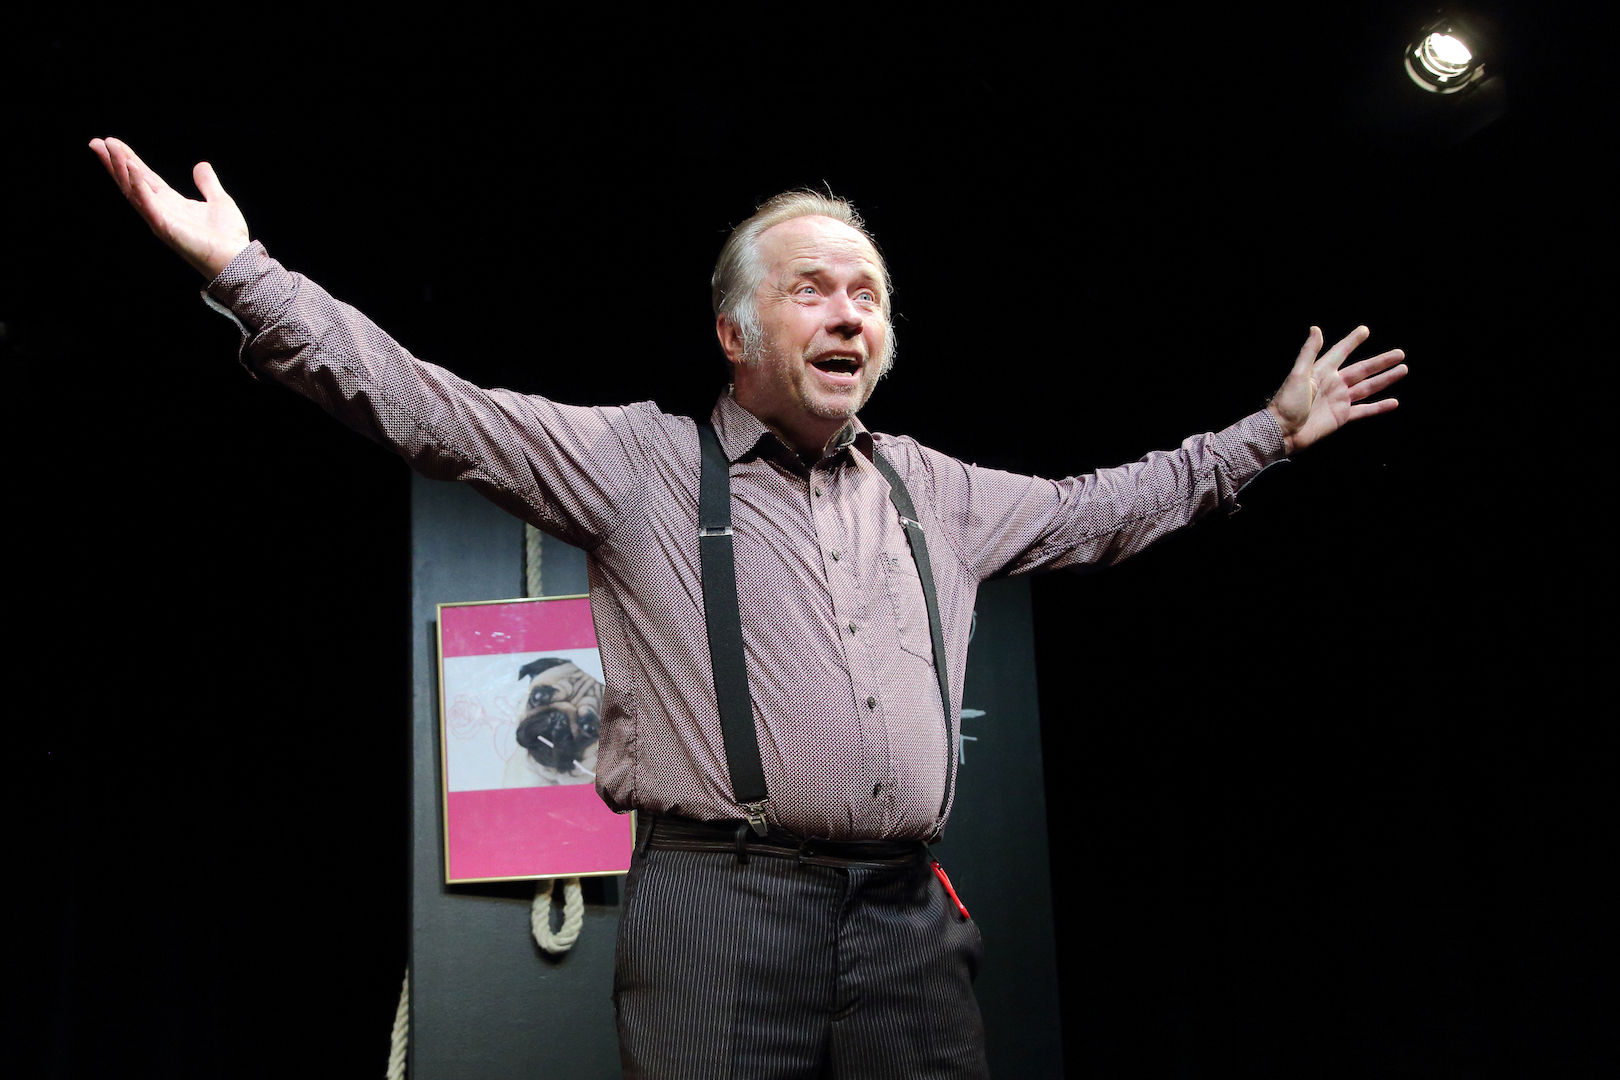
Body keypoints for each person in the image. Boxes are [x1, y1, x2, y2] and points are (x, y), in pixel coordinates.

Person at [89, 136, 1408, 1079]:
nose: (852, 312)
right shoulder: (641, 466)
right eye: (814, 287)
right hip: (718, 905)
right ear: (735, 332)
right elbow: (425, 403)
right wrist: (247, 273)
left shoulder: (932, 491)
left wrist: (1267, 440)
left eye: (870, 294)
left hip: (903, 916)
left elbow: (1103, 506)